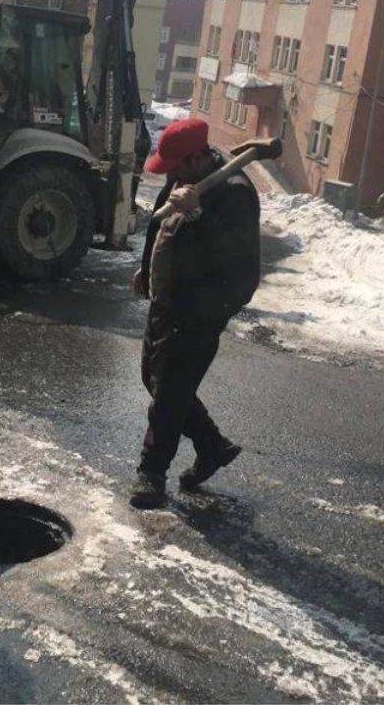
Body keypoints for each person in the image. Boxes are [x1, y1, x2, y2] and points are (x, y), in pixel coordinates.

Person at [129, 118, 262, 510]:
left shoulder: (234, 192)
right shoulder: (183, 177)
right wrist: (147, 266)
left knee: (169, 391)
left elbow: (233, 253)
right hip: (168, 294)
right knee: (155, 380)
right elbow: (161, 222)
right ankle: (211, 445)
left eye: (174, 167)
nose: (168, 175)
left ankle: (151, 474)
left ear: (195, 158)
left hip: (204, 305)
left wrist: (199, 214)